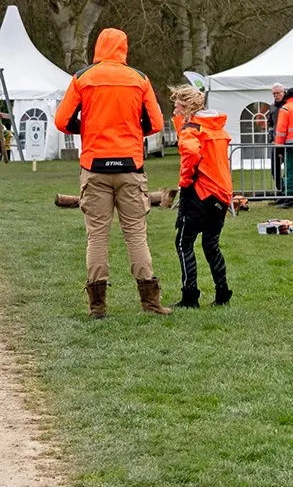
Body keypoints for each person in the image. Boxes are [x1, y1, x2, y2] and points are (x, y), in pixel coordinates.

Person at [54, 27, 170, 318]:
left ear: (98, 47)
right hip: (130, 166)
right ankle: (151, 304)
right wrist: (132, 130)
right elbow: (155, 123)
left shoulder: (83, 77)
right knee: (135, 235)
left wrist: (87, 128)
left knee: (97, 237)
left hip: (94, 166)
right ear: (124, 48)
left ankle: (97, 307)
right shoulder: (139, 78)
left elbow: (62, 121)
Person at [169, 85, 233, 309]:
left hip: (200, 192)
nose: (174, 112)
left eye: (177, 107)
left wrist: (185, 181)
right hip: (222, 193)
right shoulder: (215, 128)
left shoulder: (192, 128)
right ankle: (222, 292)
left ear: (186, 107)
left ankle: (190, 295)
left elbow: (191, 152)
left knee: (183, 243)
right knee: (210, 244)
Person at [267, 83, 287, 197]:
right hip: (276, 142)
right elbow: (270, 124)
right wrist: (271, 139)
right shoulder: (272, 107)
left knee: (291, 169)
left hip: (288, 142)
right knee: (275, 170)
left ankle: (290, 192)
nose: (276, 96)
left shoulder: (289, 105)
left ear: (283, 92)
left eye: (278, 93)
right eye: (274, 94)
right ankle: (281, 190)